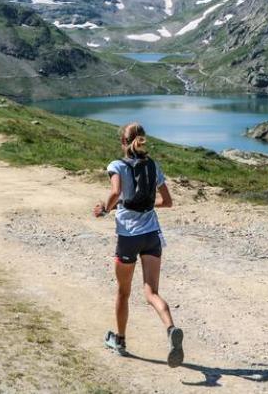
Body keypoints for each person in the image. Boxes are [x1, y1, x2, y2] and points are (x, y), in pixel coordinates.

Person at [93, 122, 184, 367]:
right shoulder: (154, 166)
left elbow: (114, 193)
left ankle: (120, 341)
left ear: (123, 143)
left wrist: (104, 209)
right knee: (151, 292)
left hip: (128, 238)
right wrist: (147, 205)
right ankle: (170, 329)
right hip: (152, 234)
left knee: (123, 291)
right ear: (142, 140)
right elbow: (167, 201)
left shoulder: (116, 166)